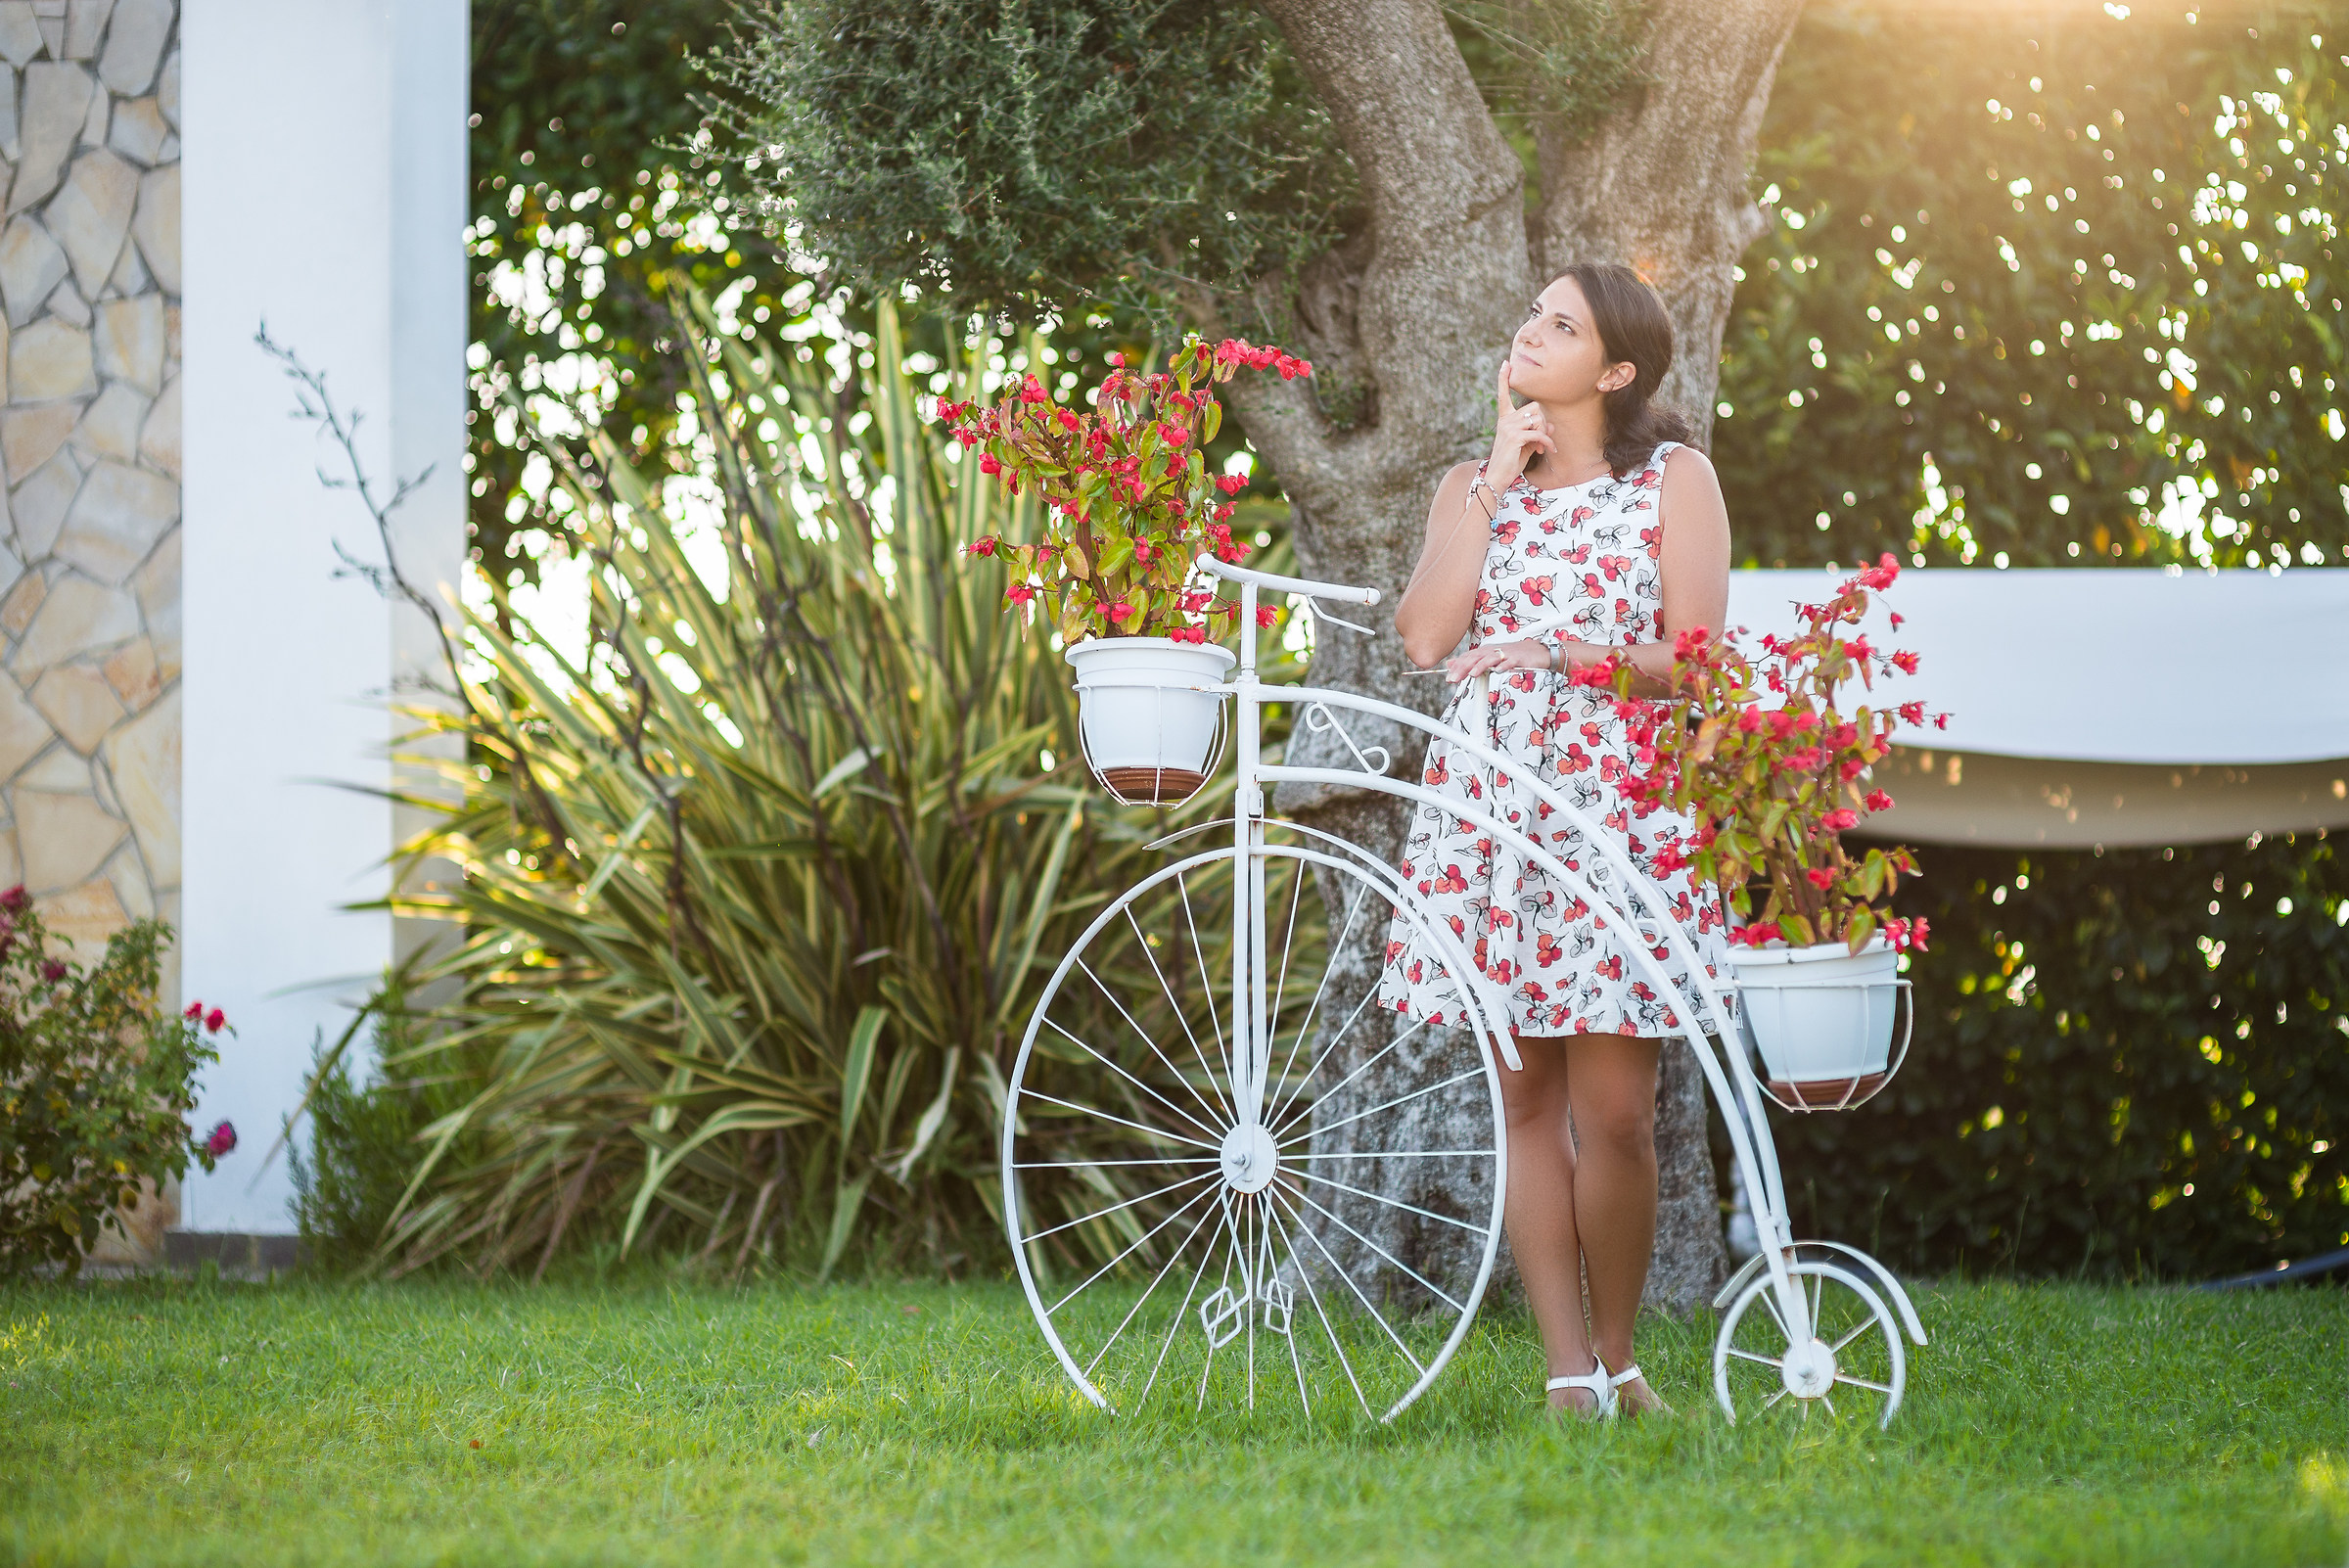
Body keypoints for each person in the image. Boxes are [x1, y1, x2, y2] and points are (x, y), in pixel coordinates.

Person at [1381, 262, 1734, 1418]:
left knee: (1620, 1113)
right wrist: (1493, 474)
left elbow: (1697, 663)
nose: (1530, 333)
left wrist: (1563, 653)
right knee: (1525, 1101)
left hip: (1618, 807)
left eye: (1562, 324)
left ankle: (1624, 1356)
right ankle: (1567, 1373)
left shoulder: (1676, 481)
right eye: (1533, 314)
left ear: (1616, 371)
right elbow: (1427, 638)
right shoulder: (1472, 489)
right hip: (1491, 814)